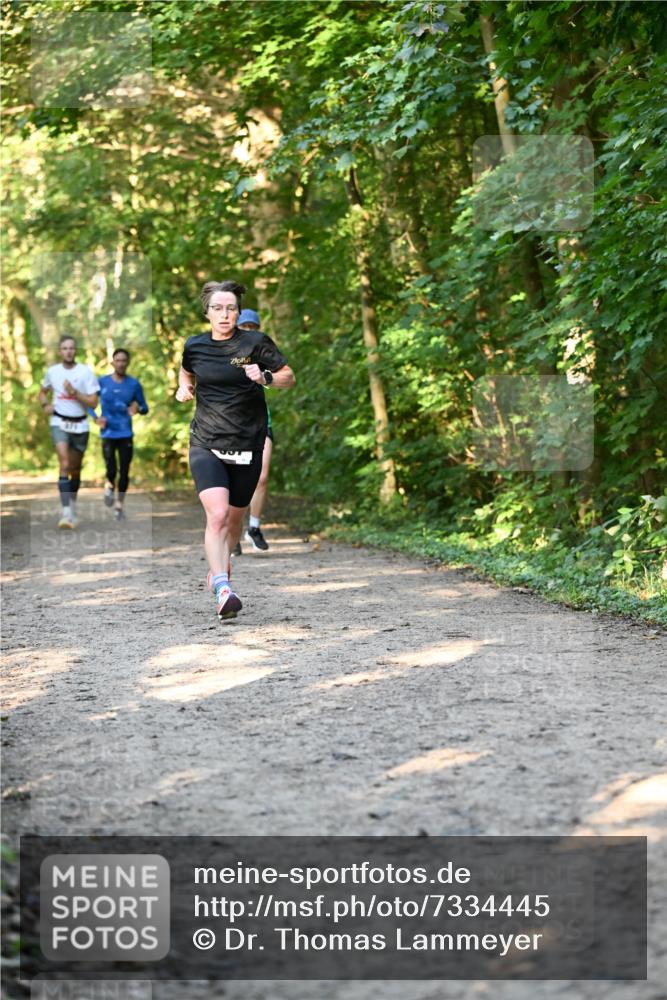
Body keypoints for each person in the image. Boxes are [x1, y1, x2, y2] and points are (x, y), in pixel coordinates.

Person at [176, 280, 295, 620]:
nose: (224, 314)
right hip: (206, 442)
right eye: (217, 308)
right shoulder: (195, 346)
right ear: (207, 312)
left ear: (238, 312)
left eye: (230, 308)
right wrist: (184, 389)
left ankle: (218, 571)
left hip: (247, 442)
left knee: (232, 522)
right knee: (216, 515)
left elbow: (288, 377)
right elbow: (186, 373)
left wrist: (266, 378)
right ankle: (224, 588)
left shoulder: (255, 343)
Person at [38, 335, 100, 529]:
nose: (68, 351)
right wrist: (45, 404)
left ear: (75, 350)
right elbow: (42, 392)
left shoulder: (85, 372)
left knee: (75, 468)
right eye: (64, 348)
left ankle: (72, 504)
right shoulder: (52, 372)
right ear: (59, 351)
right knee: (64, 463)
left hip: (80, 425)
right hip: (59, 422)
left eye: (71, 348)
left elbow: (93, 402)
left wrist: (75, 393)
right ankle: (66, 512)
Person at [90, 348, 149, 520]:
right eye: (118, 360)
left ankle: (119, 506)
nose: (121, 363)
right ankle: (109, 485)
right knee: (111, 468)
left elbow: (145, 407)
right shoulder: (102, 382)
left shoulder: (134, 384)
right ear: (112, 363)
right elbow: (89, 404)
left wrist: (138, 407)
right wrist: (96, 418)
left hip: (125, 433)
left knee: (124, 470)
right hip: (108, 433)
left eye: (124, 360)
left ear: (128, 363)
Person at [236, 308, 273, 553]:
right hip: (232, 426)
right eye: (244, 327)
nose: (249, 330)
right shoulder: (225, 353)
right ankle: (232, 533)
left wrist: (265, 376)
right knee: (235, 483)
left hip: (261, 422)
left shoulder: (264, 353)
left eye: (253, 327)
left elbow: (280, 375)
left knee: (261, 476)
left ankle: (254, 527)